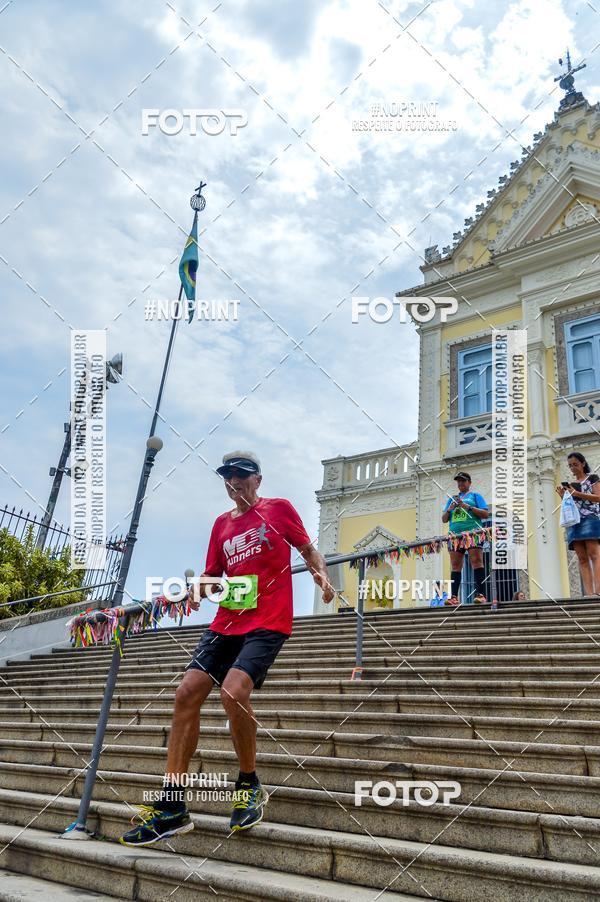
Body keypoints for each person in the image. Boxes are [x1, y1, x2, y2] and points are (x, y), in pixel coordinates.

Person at [120, 451, 334, 846]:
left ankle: (249, 783)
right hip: (227, 620)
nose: (234, 481)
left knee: (233, 692)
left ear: (257, 479)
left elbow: (307, 550)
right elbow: (212, 573)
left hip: (267, 620)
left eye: (242, 475)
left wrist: (321, 574)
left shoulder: (279, 510)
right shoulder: (220, 525)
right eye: (228, 476)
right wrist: (199, 589)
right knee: (186, 693)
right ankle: (171, 807)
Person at [442, 472, 489, 605]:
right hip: (455, 535)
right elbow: (444, 519)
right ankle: (454, 597)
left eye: (463, 481)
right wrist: (450, 509)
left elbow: (485, 514)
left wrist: (467, 507)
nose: (460, 483)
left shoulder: (475, 496)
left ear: (469, 482)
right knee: (455, 566)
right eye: (458, 481)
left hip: (472, 533)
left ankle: (481, 595)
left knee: (476, 562)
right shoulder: (452, 499)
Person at [556, 451, 600, 596]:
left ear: (582, 463)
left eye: (575, 464)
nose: (573, 467)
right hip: (574, 521)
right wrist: (564, 496)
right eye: (570, 465)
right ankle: (589, 593)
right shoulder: (571, 484)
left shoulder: (592, 478)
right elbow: (571, 504)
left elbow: (598, 497)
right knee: (582, 558)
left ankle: (598, 591)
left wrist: (576, 493)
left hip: (590, 518)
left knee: (594, 554)